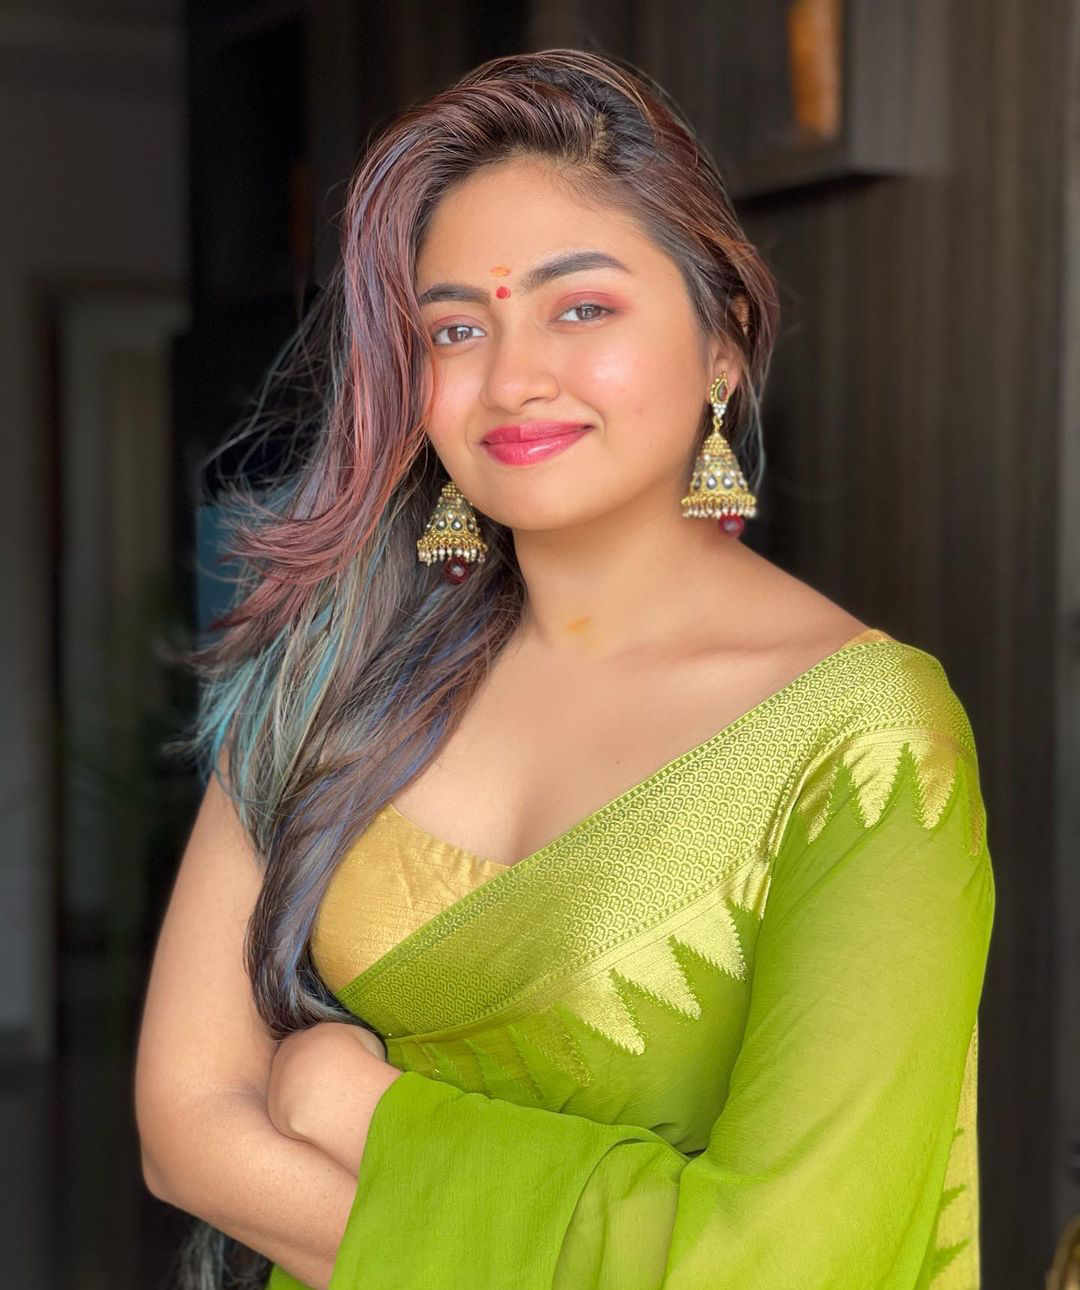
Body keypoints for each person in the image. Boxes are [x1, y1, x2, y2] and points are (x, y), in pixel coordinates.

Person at [134, 47, 996, 1290]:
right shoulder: (333, 664)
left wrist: (359, 1113)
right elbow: (186, 1130)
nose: (513, 379)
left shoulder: (866, 741)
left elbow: (782, 1261)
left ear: (723, 343)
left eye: (581, 308)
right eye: (455, 328)